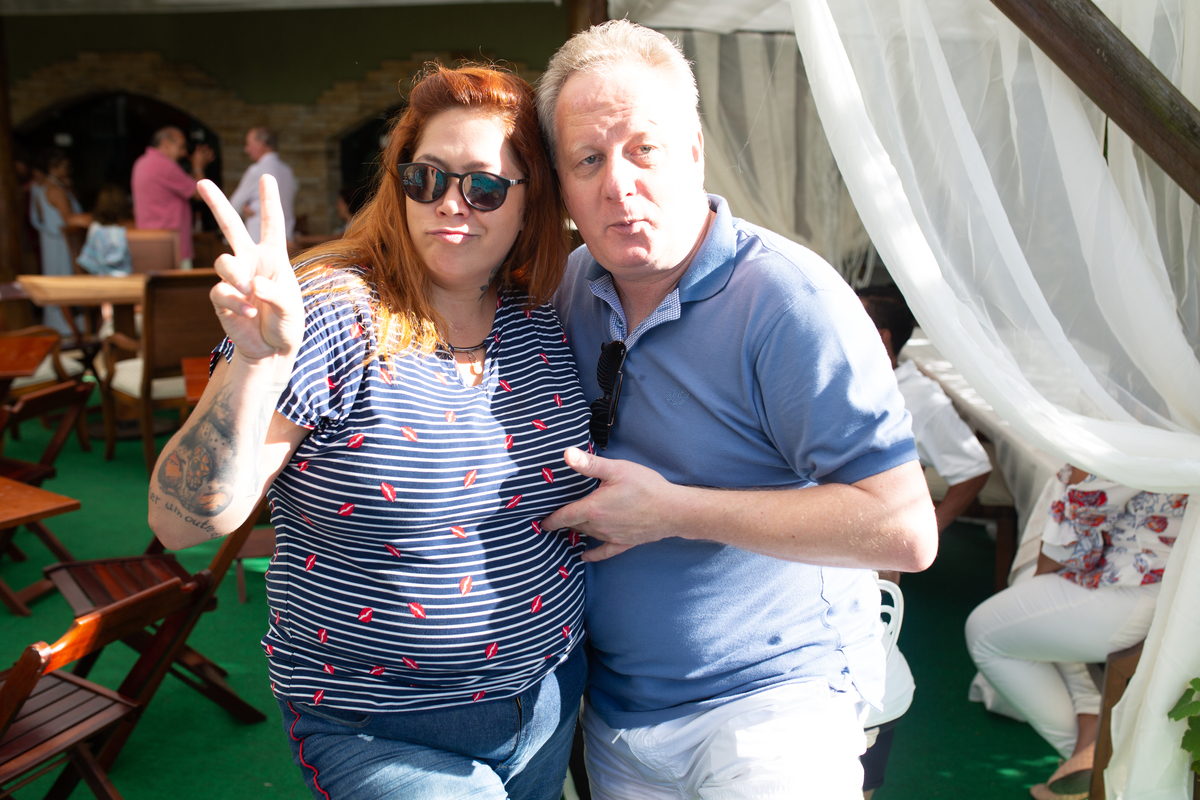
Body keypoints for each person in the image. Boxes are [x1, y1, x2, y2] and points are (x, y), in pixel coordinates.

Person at [148, 64, 594, 800]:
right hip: (378, 724)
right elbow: (180, 523)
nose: (449, 203)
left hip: (546, 694)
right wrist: (256, 365)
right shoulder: (329, 312)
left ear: (531, 201)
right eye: (427, 178)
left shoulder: (542, 314)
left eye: (484, 187)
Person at [536, 20, 938, 799]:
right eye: (588, 160)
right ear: (561, 184)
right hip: (615, 714)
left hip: (776, 705)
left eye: (644, 149)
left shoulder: (789, 299)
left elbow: (904, 530)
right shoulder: (567, 289)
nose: (618, 184)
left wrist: (674, 512)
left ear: (693, 152)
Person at [966, 467, 1186, 800]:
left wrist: (1039, 581)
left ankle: (1098, 761)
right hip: (1169, 583)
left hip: (1134, 587)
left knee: (983, 632)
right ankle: (1088, 732)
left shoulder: (1126, 435)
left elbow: (1082, 522)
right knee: (1032, 609)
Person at [859, 284, 992, 531]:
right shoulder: (842, 380)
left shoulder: (919, 399)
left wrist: (927, 534)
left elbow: (973, 469)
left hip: (869, 534)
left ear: (882, 336)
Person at [131, 126, 213, 269]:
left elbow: (182, 184)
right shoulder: (164, 165)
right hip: (172, 248)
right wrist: (198, 167)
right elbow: (201, 193)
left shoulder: (141, 162)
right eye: (181, 147)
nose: (183, 152)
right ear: (165, 143)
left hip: (150, 245)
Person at [29, 147, 91, 336]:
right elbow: (69, 218)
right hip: (62, 242)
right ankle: (71, 326)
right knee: (65, 280)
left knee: (56, 279)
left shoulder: (41, 188)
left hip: (50, 241)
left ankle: (62, 325)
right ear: (52, 168)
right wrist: (94, 219)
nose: (67, 171)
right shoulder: (55, 190)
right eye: (64, 167)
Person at [227, 127, 297, 245]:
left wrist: (244, 208)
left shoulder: (257, 170)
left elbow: (234, 205)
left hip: (260, 238)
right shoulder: (287, 170)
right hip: (286, 237)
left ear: (261, 145)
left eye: (249, 144)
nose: (246, 149)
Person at [77, 184, 133, 276]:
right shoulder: (129, 228)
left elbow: (88, 261)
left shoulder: (95, 227)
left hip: (99, 275)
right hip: (124, 274)